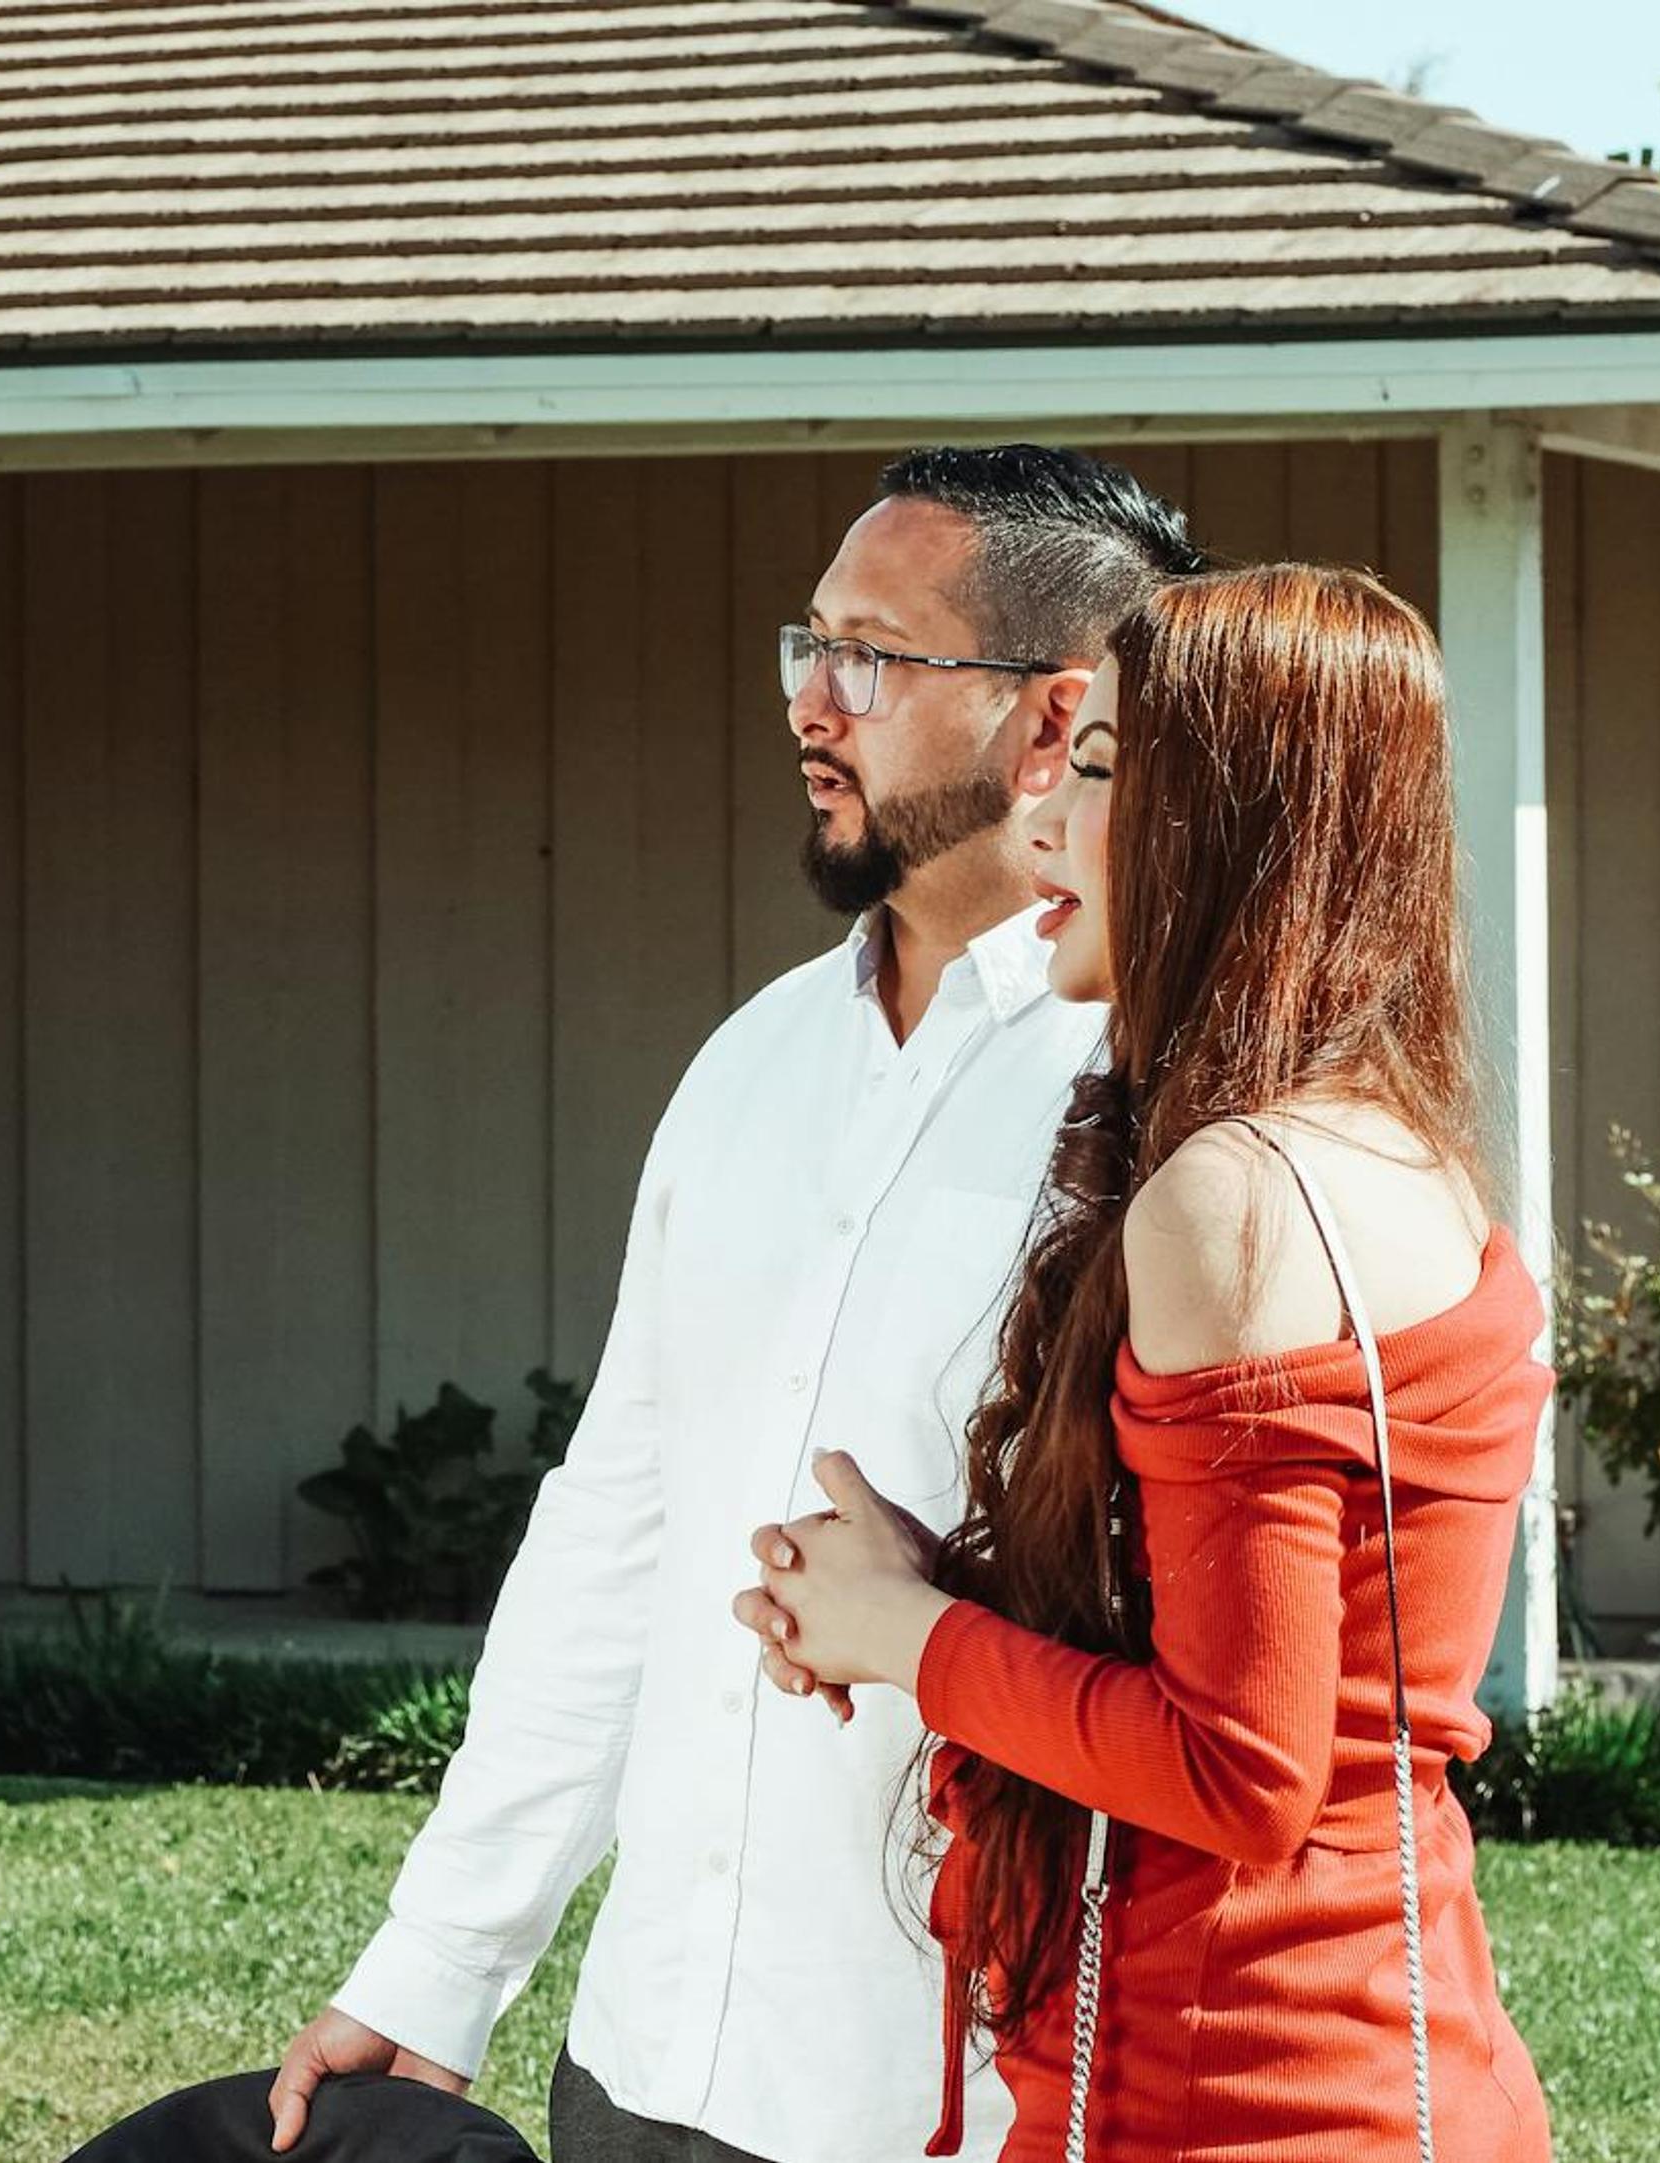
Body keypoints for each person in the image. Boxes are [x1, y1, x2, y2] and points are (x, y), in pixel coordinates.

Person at [270, 448, 1201, 2162]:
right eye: (806, 645)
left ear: (1054, 715)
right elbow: (617, 1532)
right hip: (646, 2071)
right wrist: (442, 1963)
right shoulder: (747, 1066)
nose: (808, 702)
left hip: (960, 2102)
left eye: (872, 657)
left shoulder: (1178, 1106)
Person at [735, 565, 1557, 2161]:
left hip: (1227, 2096)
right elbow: (1302, 1676)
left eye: (1101, 768)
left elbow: (1241, 1772)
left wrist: (908, 1636)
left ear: (1237, 826)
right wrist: (933, 1590)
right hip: (1391, 2067)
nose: (1039, 820)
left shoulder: (1234, 1200)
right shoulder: (1401, 1156)